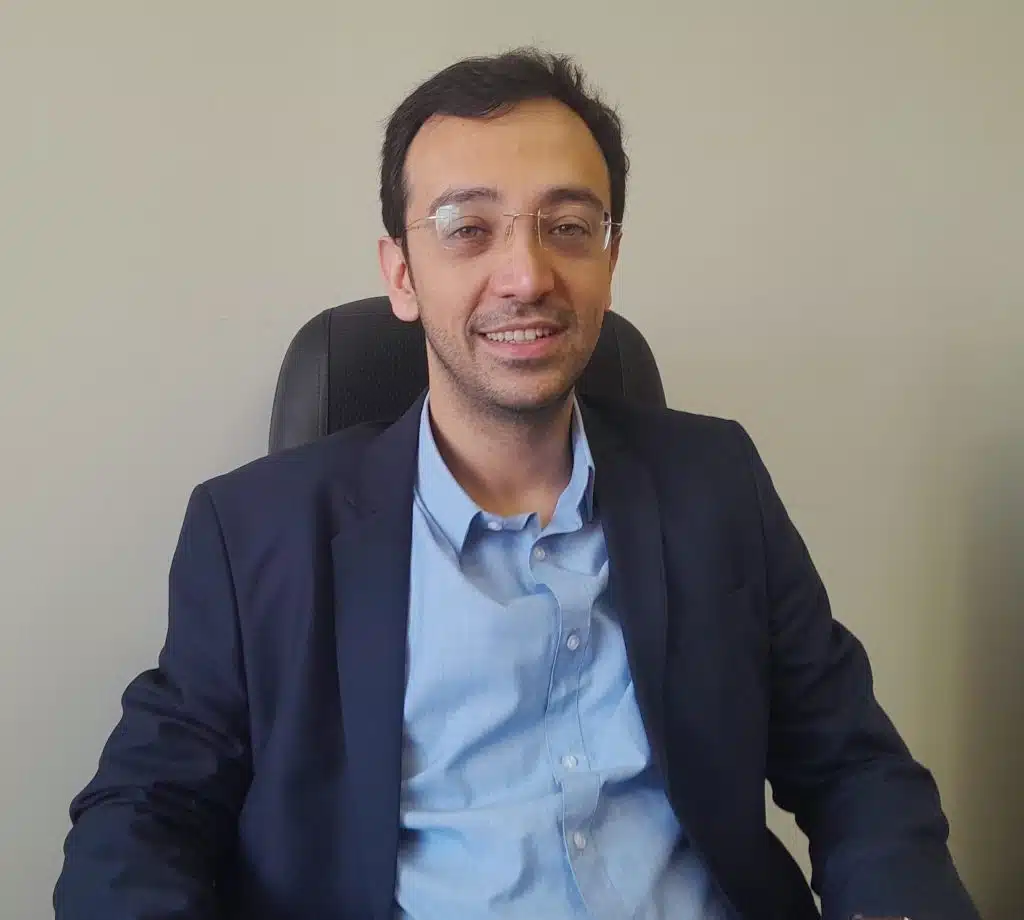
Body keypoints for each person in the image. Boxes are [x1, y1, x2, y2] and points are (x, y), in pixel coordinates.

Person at [55, 49, 979, 920]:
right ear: (402, 274)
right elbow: (144, 810)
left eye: (568, 228)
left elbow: (854, 766)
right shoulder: (256, 531)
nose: (527, 276)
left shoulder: (716, 483)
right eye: (468, 229)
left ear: (610, 259)